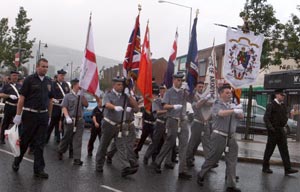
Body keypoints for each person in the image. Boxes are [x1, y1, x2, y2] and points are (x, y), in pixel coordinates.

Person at [12, 58, 54, 179]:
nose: (45, 68)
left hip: (43, 115)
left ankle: (39, 169)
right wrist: (18, 115)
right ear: (37, 67)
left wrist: (49, 116)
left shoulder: (49, 81)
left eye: (47, 66)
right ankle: (17, 161)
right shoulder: (29, 80)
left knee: (40, 144)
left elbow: (51, 100)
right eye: (43, 66)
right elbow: (22, 98)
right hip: (30, 115)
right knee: (25, 141)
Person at [197, 85, 243, 192]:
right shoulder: (217, 104)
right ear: (221, 94)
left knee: (232, 161)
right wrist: (233, 110)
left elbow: (241, 117)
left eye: (230, 93)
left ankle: (231, 185)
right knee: (213, 159)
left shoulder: (233, 104)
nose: (229, 94)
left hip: (231, 137)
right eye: (226, 93)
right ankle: (201, 174)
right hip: (219, 136)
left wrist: (238, 109)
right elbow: (221, 114)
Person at [95, 76, 139, 177]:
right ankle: (99, 164)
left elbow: (136, 109)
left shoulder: (125, 96)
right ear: (113, 85)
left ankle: (125, 167)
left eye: (122, 84)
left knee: (121, 146)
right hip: (108, 124)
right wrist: (115, 107)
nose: (121, 86)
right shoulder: (108, 94)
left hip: (120, 126)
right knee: (103, 146)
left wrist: (129, 96)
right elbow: (106, 104)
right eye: (118, 84)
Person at [152, 72, 192, 180]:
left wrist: (188, 90)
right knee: (169, 142)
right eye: (178, 80)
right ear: (174, 80)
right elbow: (164, 105)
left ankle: (182, 170)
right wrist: (173, 106)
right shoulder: (168, 92)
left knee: (184, 145)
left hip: (183, 120)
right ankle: (157, 162)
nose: (180, 82)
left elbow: (191, 99)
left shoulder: (184, 92)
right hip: (172, 120)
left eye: (181, 80)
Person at [262, 89, 298, 175]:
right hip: (273, 132)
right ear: (277, 95)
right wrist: (271, 128)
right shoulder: (271, 105)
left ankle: (287, 169)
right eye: (282, 95)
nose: (283, 97)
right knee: (269, 150)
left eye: (284, 95)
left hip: (281, 131)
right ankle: (265, 167)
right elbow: (266, 118)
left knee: (284, 150)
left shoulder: (283, 105)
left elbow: (285, 116)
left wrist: (284, 122)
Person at [57, 78, 88, 165]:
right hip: (70, 120)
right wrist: (67, 117)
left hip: (80, 120)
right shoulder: (67, 96)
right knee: (66, 137)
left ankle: (77, 158)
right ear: (74, 85)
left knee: (78, 139)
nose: (80, 86)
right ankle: (61, 150)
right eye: (79, 84)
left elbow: (86, 104)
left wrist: (82, 95)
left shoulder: (81, 95)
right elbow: (64, 107)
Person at [186, 81, 214, 167]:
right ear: (196, 88)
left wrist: (204, 100)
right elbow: (198, 105)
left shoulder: (204, 96)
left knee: (207, 143)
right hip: (197, 123)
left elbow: (211, 103)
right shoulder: (194, 97)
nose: (201, 88)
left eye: (202, 87)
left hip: (205, 123)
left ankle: (209, 162)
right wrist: (204, 100)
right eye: (199, 87)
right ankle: (188, 158)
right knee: (193, 143)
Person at [143, 85, 168, 165]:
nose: (164, 92)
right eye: (162, 91)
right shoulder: (157, 101)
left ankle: (163, 160)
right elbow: (156, 112)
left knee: (167, 142)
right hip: (160, 122)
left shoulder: (169, 101)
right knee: (155, 142)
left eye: (165, 91)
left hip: (167, 123)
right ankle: (146, 156)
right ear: (160, 92)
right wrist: (167, 111)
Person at [46, 69, 70, 143]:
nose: (63, 77)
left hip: (63, 107)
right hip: (55, 106)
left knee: (61, 123)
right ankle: (46, 138)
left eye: (63, 75)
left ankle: (58, 138)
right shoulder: (53, 84)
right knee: (52, 123)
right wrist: (53, 99)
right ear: (58, 75)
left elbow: (68, 94)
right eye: (61, 75)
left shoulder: (66, 84)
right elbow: (49, 94)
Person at [0, 71, 21, 144]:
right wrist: (9, 96)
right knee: (6, 123)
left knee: (19, 124)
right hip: (9, 106)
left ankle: (17, 139)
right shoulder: (6, 86)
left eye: (17, 75)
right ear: (10, 76)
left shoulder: (20, 85)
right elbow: (1, 94)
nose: (15, 77)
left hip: (17, 107)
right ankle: (2, 138)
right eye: (14, 75)